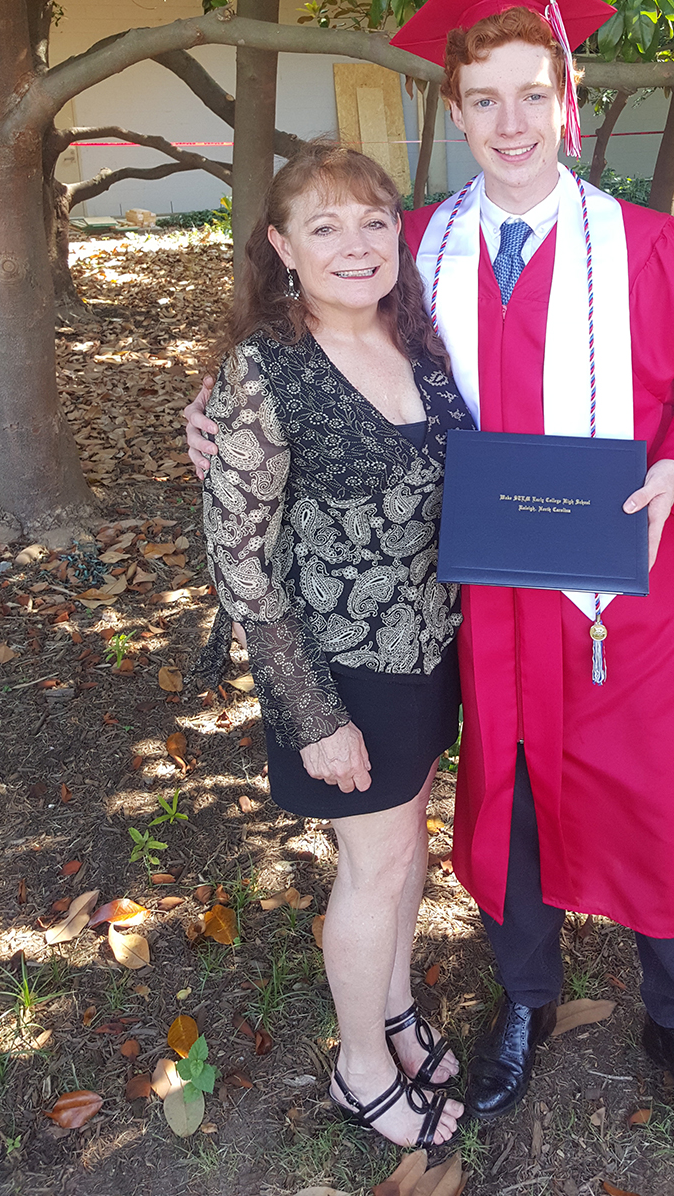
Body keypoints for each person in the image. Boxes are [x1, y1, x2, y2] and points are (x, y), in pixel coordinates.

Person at [187, 0, 674, 1167]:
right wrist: (212, 406)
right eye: (483, 99)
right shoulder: (416, 242)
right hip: (485, 605)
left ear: (568, 102)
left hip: (625, 589)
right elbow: (306, 329)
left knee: (661, 805)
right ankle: (523, 1001)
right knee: (509, 807)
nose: (510, 121)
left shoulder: (648, 249)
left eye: (533, 93)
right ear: (454, 111)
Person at [201, 140, 471, 1148]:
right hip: (340, 670)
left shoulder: (422, 341)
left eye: (371, 221)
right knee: (373, 864)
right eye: (324, 226)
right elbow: (239, 561)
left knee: (406, 851)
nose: (354, 244)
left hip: (431, 648)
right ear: (281, 247)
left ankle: (393, 1011)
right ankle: (363, 1070)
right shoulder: (265, 371)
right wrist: (310, 714)